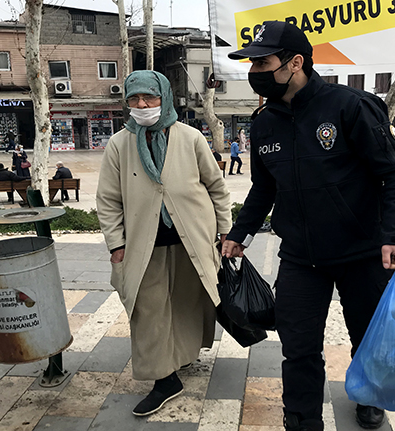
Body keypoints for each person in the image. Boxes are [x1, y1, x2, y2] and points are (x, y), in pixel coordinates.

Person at [222, 21, 395, 431]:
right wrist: (241, 232)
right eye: (251, 64)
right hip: (299, 258)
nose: (255, 72)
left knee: (367, 336)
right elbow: (264, 186)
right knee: (298, 349)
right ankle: (302, 420)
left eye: (263, 63)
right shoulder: (264, 123)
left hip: (361, 254)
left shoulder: (350, 106)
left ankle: (369, 396)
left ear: (296, 62)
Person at [96, 70, 231, 417]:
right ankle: (164, 379)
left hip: (193, 241)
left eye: (149, 98)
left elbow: (216, 187)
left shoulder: (190, 138)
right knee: (148, 310)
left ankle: (180, 359)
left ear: (164, 98)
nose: (142, 105)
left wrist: (225, 231)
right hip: (143, 245)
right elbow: (108, 200)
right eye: (134, 99)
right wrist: (116, 245)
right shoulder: (119, 144)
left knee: (187, 303)